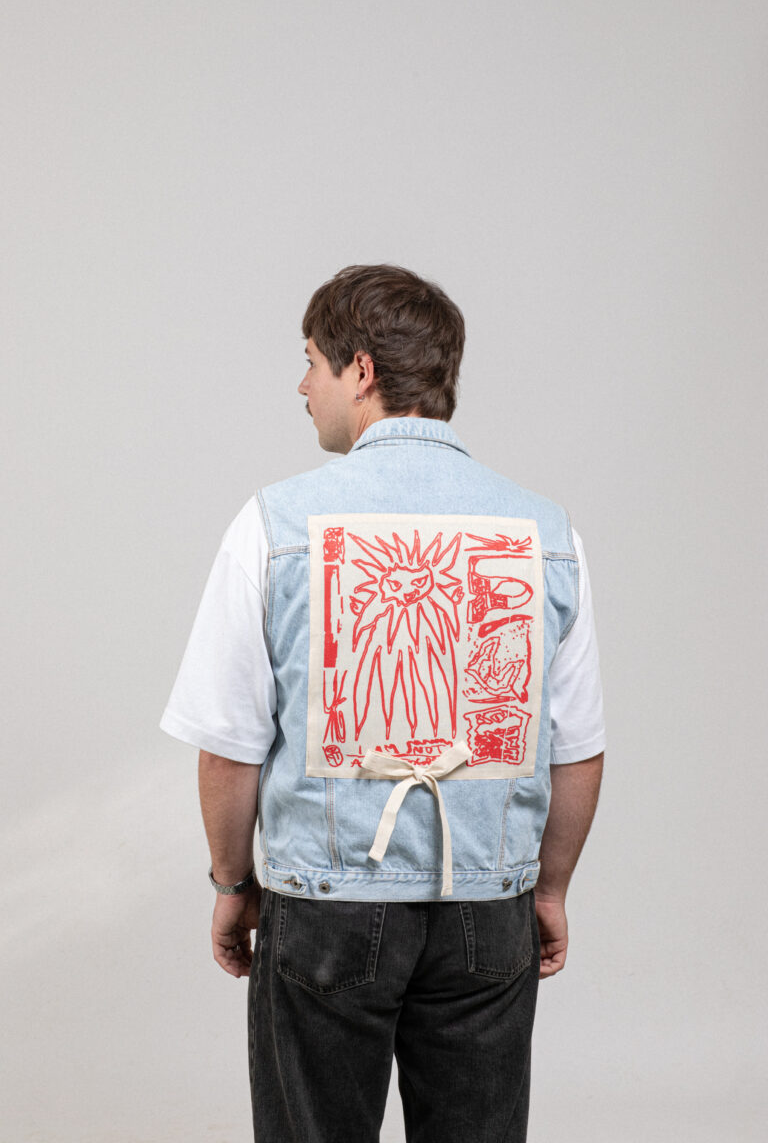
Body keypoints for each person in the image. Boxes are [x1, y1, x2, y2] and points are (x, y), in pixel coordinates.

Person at [160, 264, 605, 1143]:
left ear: (360, 370)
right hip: (488, 909)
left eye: (311, 361)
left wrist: (233, 883)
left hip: (326, 907)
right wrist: (548, 890)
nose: (302, 385)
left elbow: (228, 748)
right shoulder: (546, 534)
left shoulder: (276, 525)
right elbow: (577, 748)